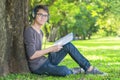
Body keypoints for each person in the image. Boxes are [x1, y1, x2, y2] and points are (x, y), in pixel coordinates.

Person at [24, 5, 105, 76]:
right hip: (38, 67)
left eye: (45, 16)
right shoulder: (29, 31)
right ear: (34, 15)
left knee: (68, 45)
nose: (43, 17)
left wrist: (53, 49)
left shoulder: (40, 32)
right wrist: (51, 49)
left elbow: (38, 51)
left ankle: (89, 68)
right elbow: (32, 55)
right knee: (64, 70)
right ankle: (75, 70)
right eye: (40, 14)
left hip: (45, 60)